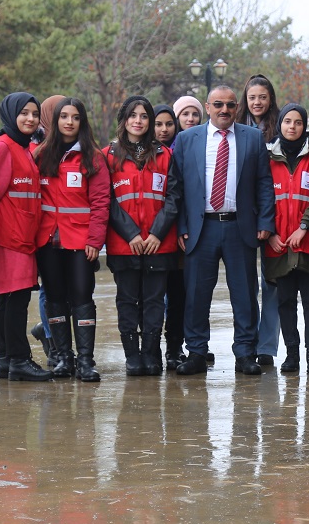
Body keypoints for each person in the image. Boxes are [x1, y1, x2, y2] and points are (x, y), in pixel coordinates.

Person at [165, 85, 275, 376]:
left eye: (229, 104)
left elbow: (264, 183)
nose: (224, 110)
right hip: (201, 229)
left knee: (244, 295)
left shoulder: (252, 138)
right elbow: (176, 188)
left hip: (241, 228)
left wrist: (265, 222)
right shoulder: (188, 139)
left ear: (236, 107)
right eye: (218, 105)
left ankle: (245, 353)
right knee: (196, 295)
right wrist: (181, 227)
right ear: (208, 106)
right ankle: (197, 352)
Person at [34, 97, 111, 382]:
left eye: (75, 117)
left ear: (82, 122)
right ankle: (63, 358)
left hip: (81, 241)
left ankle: (86, 361)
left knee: (81, 297)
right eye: (64, 116)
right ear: (55, 122)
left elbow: (102, 202)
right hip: (47, 241)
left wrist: (95, 240)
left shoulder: (93, 157)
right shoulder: (41, 155)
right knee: (54, 299)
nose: (69, 122)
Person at [262, 103, 309, 374]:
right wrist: (269, 233)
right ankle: (291, 355)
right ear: (280, 124)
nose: (292, 127)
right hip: (279, 243)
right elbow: (263, 197)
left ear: (304, 125)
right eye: (287, 121)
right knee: (284, 301)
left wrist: (304, 226)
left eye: (297, 122)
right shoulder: (267, 156)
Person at [104, 96, 178, 376]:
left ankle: (150, 353)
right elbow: (107, 200)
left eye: (143, 116)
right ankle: (132, 356)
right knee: (127, 300)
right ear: (124, 120)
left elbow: (174, 197)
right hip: (125, 244)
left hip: (159, 243)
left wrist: (157, 233)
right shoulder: (107, 155)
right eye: (132, 115)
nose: (138, 121)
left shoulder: (165, 155)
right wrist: (131, 233)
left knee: (154, 301)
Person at [0, 92, 52, 383]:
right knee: (15, 301)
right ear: (11, 114)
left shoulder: (22, 146)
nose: (30, 118)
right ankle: (19, 360)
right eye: (24, 113)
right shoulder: (3, 147)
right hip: (8, 238)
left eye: (34, 114)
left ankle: (6, 360)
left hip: (22, 237)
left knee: (10, 301)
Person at [237, 74, 282, 367]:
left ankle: (267, 346)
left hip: (275, 214)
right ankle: (248, 340)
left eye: (262, 97)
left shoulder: (283, 127)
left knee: (272, 282)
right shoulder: (235, 127)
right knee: (245, 284)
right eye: (252, 97)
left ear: (271, 99)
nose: (257, 103)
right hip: (242, 215)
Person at [28, 94, 67, 366]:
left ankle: (49, 332)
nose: (64, 120)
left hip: (70, 232)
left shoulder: (75, 143)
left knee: (70, 292)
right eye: (58, 114)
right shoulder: (33, 144)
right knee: (49, 290)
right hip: (43, 231)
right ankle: (54, 341)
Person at [153, 104, 187, 370]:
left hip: (177, 237)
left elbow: (182, 196)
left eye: (168, 124)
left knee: (178, 296)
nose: (164, 130)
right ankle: (149, 349)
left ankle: (175, 349)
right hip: (148, 239)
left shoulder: (181, 151)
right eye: (158, 124)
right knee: (151, 298)